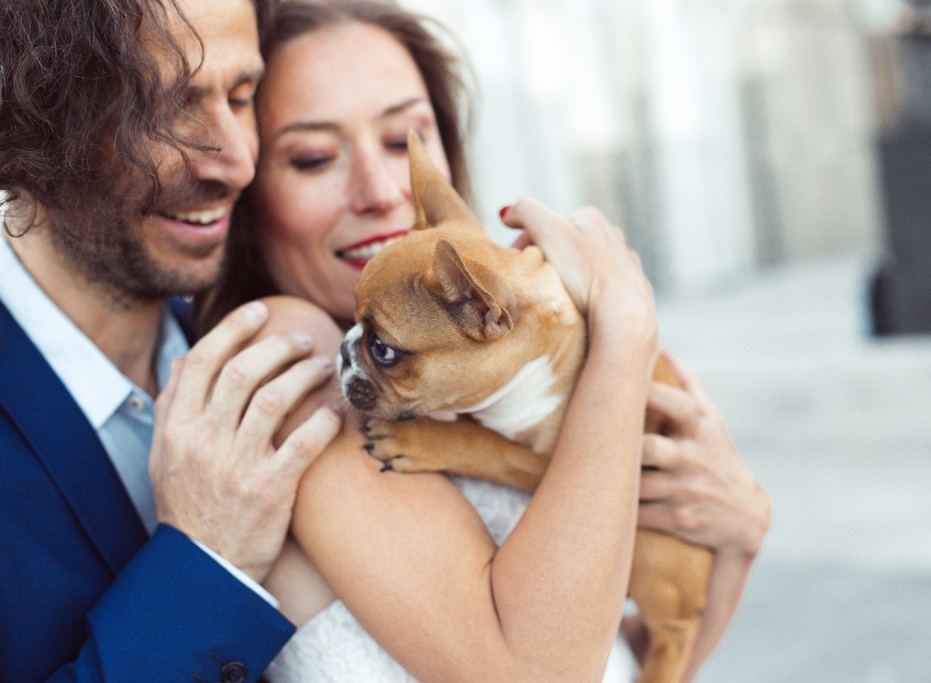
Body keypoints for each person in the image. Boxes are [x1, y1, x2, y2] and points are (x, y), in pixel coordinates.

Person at [195, 1, 772, 681]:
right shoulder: (292, 360)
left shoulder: (478, 368)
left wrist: (741, 539)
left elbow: (631, 657)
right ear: (249, 183)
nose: (381, 190)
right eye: (314, 156)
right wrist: (626, 336)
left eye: (404, 138)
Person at [0, 0, 344, 680]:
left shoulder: (260, 351)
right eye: (162, 107)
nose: (238, 163)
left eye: (241, 96)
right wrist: (207, 561)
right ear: (27, 118)